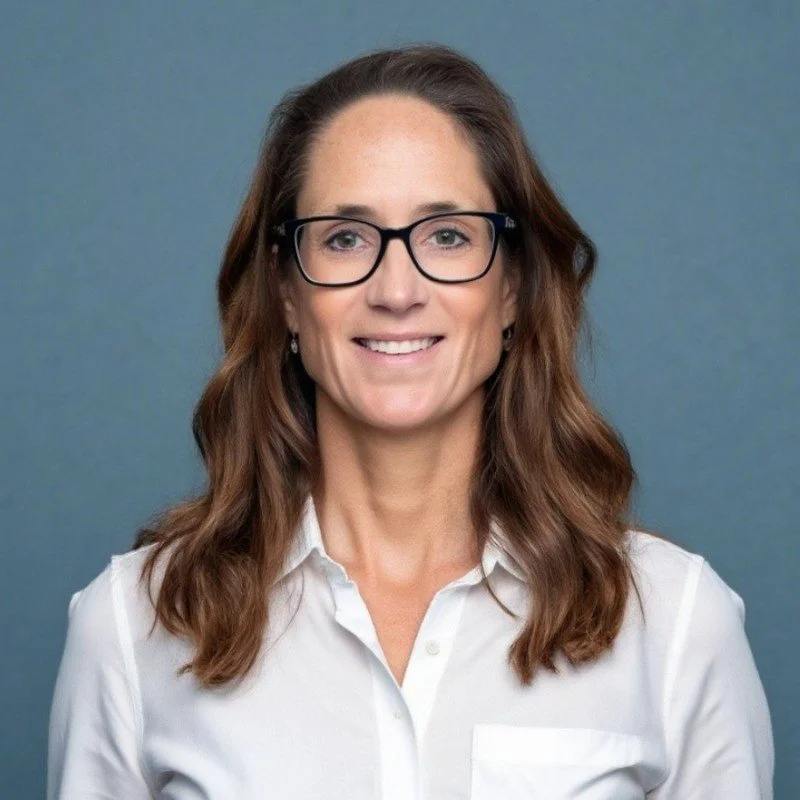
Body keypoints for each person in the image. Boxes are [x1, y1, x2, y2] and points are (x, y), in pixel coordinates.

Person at [47, 43, 774, 799]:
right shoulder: (129, 628)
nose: (397, 291)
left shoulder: (676, 624)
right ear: (287, 293)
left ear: (512, 287)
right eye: (345, 238)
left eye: (448, 235)